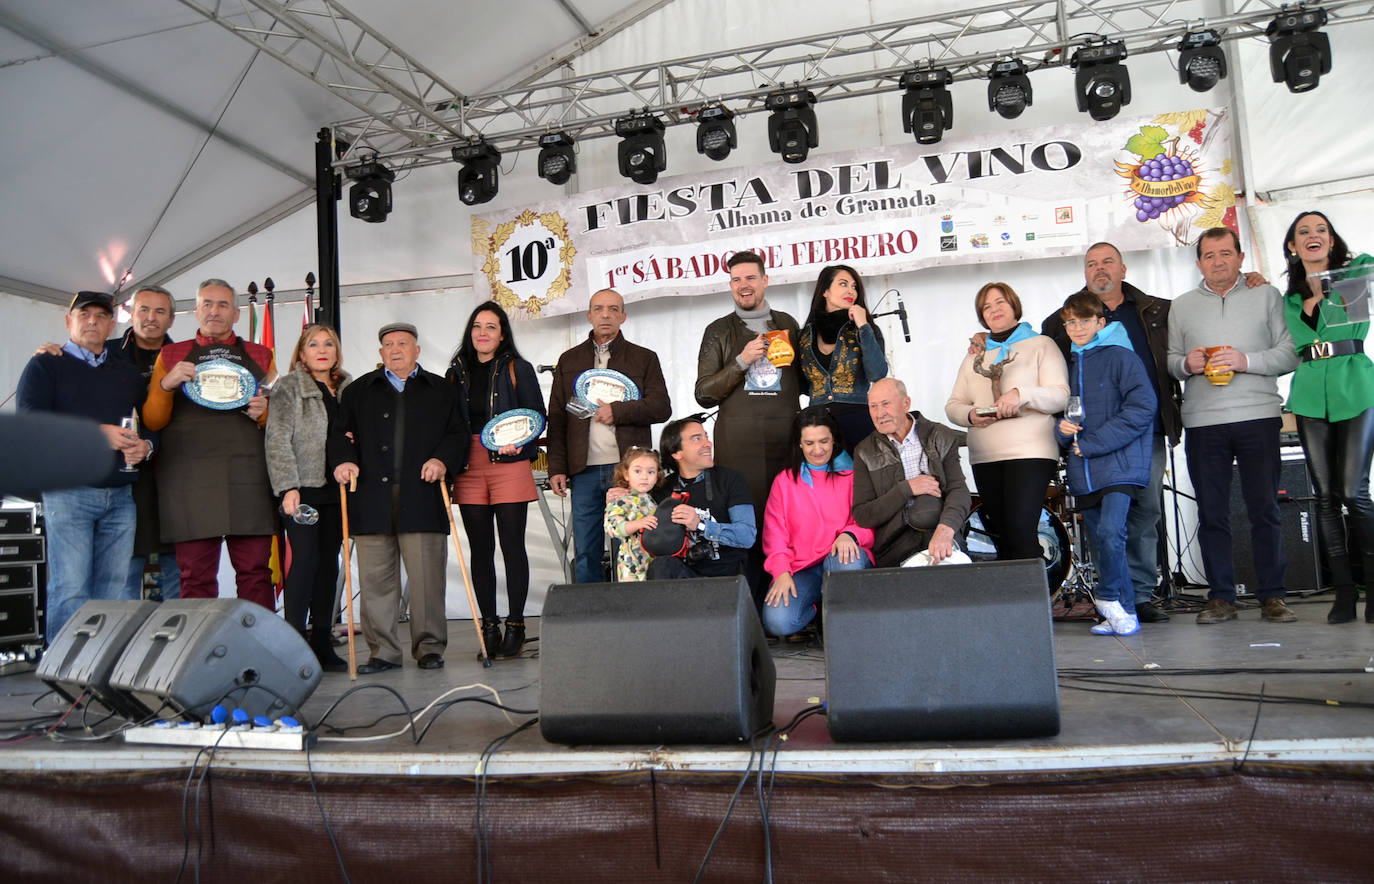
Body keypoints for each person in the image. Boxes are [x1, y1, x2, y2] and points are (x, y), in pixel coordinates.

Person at [1041, 243, 1179, 622]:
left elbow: (1154, 386)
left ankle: (1139, 595)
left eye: (1107, 262)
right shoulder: (1057, 324)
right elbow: (1053, 387)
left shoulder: (1154, 310)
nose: (1099, 269)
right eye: (1091, 264)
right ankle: (1117, 599)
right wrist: (1066, 434)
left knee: (1144, 511)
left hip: (1140, 435)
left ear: (1123, 267)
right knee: (1104, 525)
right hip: (1088, 449)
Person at [1168, 227, 1300, 624]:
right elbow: (1171, 359)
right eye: (1210, 255)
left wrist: (1246, 361)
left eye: (1226, 253)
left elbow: (1289, 355)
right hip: (1203, 421)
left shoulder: (1267, 295)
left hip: (1258, 415)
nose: (1218, 261)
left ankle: (1272, 596)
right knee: (1212, 513)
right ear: (1199, 264)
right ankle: (1221, 597)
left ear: (1241, 258)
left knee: (1265, 509)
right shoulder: (1182, 305)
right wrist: (1184, 366)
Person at [331, 322, 467, 673]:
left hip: (422, 496)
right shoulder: (359, 390)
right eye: (388, 345)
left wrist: (442, 460)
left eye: (403, 344)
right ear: (380, 353)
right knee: (376, 581)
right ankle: (383, 653)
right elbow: (340, 435)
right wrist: (344, 459)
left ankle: (430, 648)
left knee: (426, 581)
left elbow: (458, 435)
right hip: (371, 497)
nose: (395, 350)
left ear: (417, 350)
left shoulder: (441, 389)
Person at [17, 291, 154, 639]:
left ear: (111, 324)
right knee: (71, 586)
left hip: (121, 494)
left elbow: (151, 421)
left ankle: (95, 670)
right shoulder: (46, 364)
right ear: (68, 321)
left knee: (113, 589)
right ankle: (64, 673)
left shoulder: (126, 372)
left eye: (100, 316)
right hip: (68, 489)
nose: (92, 321)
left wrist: (146, 446)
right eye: (84, 314)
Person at [142, 279, 277, 608]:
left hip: (249, 477)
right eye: (207, 304)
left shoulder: (262, 355)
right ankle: (198, 654)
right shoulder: (170, 355)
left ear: (236, 313)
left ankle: (261, 650)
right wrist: (166, 383)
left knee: (255, 572)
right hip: (189, 479)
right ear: (196, 310)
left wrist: (263, 413)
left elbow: (281, 420)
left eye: (222, 305)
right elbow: (153, 421)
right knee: (195, 576)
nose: (214, 311)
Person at [1280, 211, 1374, 623]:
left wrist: (1340, 269)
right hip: (1310, 396)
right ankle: (1343, 593)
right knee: (1324, 497)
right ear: (1292, 246)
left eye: (1321, 230)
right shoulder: (1289, 299)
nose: (1313, 236)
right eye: (1304, 232)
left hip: (1356, 387)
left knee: (1354, 492)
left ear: (1332, 241)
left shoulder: (1354, 277)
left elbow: (1369, 263)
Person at [546, 288, 671, 583]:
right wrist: (557, 467)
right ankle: (591, 619)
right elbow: (558, 416)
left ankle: (630, 615)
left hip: (629, 472)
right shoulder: (569, 359)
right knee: (586, 549)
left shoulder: (644, 358)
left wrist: (619, 411)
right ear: (589, 316)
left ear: (623, 317)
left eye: (613, 309)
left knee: (630, 545)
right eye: (599, 309)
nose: (606, 314)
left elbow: (661, 407)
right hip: (583, 469)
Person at [695, 251, 800, 599]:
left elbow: (808, 380)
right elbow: (704, 393)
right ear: (730, 285)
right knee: (746, 524)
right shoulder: (719, 330)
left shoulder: (788, 323)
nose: (744, 285)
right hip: (739, 446)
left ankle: (791, 609)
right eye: (737, 279)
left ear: (765, 280)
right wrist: (742, 361)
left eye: (751, 278)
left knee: (790, 522)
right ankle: (752, 606)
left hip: (786, 438)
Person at [1054, 293, 1157, 636]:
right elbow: (1064, 419)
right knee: (1102, 539)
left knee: (1113, 533)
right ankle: (1124, 615)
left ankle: (1109, 596)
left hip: (1120, 463)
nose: (1077, 327)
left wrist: (1091, 444)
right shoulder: (1069, 363)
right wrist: (1063, 432)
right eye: (1070, 322)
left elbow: (1143, 408)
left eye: (1084, 320)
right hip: (1086, 469)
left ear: (1101, 322)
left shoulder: (1121, 356)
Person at [447, 301, 545, 658]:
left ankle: (515, 625)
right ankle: (488, 625)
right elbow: (448, 422)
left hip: (510, 461)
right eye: (477, 326)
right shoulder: (456, 371)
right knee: (481, 550)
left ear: (502, 333)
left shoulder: (519, 368)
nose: (483, 333)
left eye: (491, 326)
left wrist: (518, 442)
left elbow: (537, 415)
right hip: (469, 464)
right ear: (470, 332)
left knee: (512, 545)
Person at [946, 282, 1068, 563]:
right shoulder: (975, 355)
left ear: (1014, 305)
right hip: (985, 456)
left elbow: (1061, 397)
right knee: (1000, 537)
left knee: (1021, 532)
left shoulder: (1041, 344)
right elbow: (953, 406)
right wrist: (970, 416)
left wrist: (1021, 395)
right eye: (986, 306)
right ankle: (1014, 605)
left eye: (1000, 302)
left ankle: (1035, 605)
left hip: (1030, 453)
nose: (994, 309)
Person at [266, 324, 351, 672]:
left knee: (329, 567)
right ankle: (294, 643)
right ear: (301, 353)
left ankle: (322, 643)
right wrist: (288, 487)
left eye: (328, 343)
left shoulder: (348, 388)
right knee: (305, 562)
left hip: (336, 490)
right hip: (302, 489)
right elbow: (277, 439)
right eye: (312, 344)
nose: (322, 349)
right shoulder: (289, 387)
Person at [761, 406, 874, 638]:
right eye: (809, 443)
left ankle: (841, 627)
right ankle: (818, 610)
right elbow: (775, 535)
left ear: (834, 440)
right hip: (802, 568)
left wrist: (850, 534)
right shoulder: (784, 481)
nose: (818, 449)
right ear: (799, 444)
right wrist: (781, 571)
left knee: (847, 559)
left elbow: (869, 521)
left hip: (840, 560)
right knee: (778, 621)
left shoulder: (853, 475)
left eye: (824, 441)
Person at [854, 378, 971, 567]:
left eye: (886, 404)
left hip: (940, 532)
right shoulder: (864, 451)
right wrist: (906, 489)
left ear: (906, 404)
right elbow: (863, 515)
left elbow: (959, 491)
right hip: (896, 544)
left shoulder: (939, 436)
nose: (879, 413)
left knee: (951, 574)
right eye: (873, 407)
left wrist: (946, 529)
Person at [644, 416, 756, 580]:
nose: (708, 443)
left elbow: (747, 536)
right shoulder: (662, 488)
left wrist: (701, 525)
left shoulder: (730, 479)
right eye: (697, 439)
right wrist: (623, 494)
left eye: (706, 437)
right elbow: (634, 505)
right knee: (661, 566)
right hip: (684, 577)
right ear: (676, 453)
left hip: (726, 578)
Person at [797, 264, 888, 452]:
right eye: (843, 284)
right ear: (825, 291)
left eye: (854, 286)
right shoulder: (805, 335)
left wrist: (863, 325)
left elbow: (877, 373)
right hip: (818, 426)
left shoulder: (866, 330)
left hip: (858, 420)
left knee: (862, 480)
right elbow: (801, 385)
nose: (851, 291)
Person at [601, 446, 663, 582]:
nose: (644, 476)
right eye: (638, 471)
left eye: (651, 472)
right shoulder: (621, 499)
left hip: (652, 561)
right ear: (626, 474)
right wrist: (638, 524)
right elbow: (612, 528)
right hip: (632, 565)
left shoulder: (650, 500)